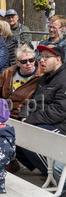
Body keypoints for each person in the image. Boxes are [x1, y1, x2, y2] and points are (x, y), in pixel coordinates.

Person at [16, 45, 66, 175]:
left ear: (58, 59)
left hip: (60, 125)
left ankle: (52, 175)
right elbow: (33, 101)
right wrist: (23, 116)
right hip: (44, 120)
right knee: (12, 133)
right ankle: (41, 167)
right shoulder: (44, 79)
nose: (41, 60)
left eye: (46, 57)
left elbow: (59, 111)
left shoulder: (64, 78)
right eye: (41, 56)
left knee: (30, 135)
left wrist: (30, 120)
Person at [0, 44, 42, 119]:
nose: (28, 64)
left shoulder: (41, 76)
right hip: (2, 112)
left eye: (31, 60)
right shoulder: (8, 72)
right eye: (24, 61)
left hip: (20, 116)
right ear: (17, 62)